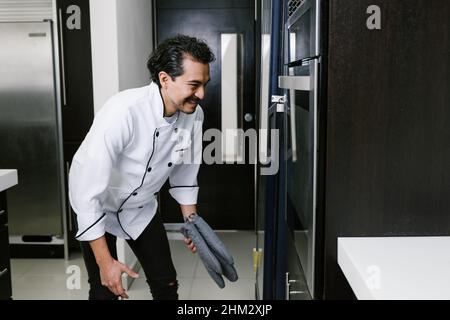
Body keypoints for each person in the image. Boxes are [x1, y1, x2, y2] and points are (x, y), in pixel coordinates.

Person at [68, 34, 214, 300]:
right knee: (104, 289)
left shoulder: (194, 116)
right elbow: (86, 192)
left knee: (166, 283)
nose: (201, 94)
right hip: (98, 205)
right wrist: (106, 263)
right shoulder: (124, 111)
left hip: (141, 208)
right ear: (164, 79)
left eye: (204, 84)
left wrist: (193, 224)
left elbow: (184, 174)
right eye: (194, 85)